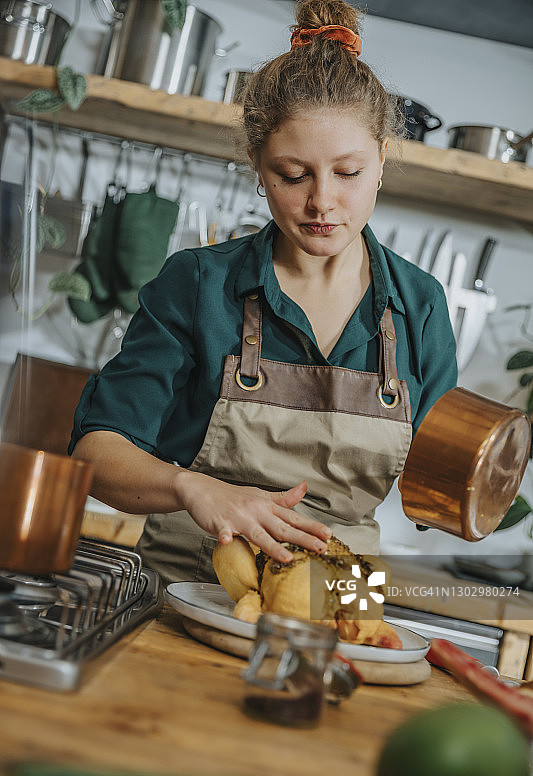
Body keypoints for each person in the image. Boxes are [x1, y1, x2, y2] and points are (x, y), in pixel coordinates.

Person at [70, 0, 457, 586]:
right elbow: (95, 455)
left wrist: (490, 472)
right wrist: (191, 487)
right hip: (186, 590)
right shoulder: (198, 284)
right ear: (257, 163)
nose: (322, 202)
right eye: (292, 174)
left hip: (338, 602)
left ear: (382, 158)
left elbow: (440, 496)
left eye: (348, 172)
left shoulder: (419, 305)